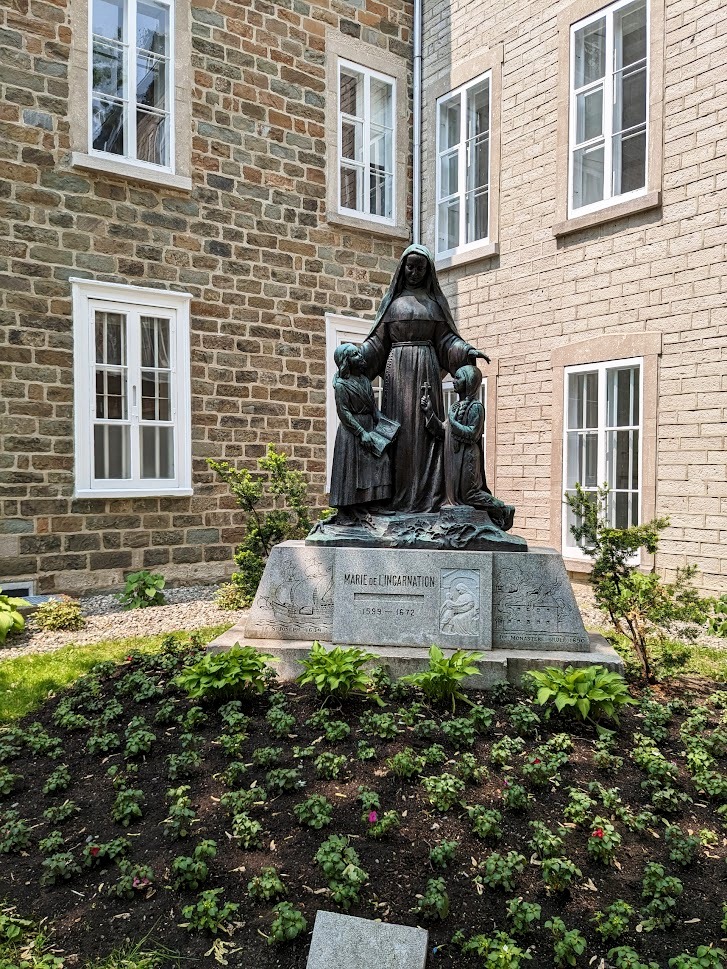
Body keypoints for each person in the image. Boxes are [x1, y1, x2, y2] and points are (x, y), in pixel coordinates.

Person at [360, 244, 489, 513]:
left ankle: (428, 496)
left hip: (426, 372)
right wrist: (357, 357)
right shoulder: (391, 305)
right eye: (410, 267)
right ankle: (396, 497)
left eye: (420, 268)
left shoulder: (434, 305)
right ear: (402, 268)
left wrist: (465, 350)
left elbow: (447, 341)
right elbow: (377, 343)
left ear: (428, 270)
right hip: (398, 375)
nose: (415, 272)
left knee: (426, 433)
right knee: (399, 433)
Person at [421, 363, 515, 531]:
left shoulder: (476, 407)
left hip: (468, 456)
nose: (454, 381)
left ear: (469, 382)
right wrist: (429, 413)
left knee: (469, 494)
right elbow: (444, 430)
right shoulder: (455, 407)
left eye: (458, 378)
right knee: (458, 496)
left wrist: (453, 421)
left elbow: (472, 434)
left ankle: (502, 509)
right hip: (454, 456)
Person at [329, 343, 393, 521]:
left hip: (369, 425)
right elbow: (343, 412)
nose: (360, 357)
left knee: (381, 462)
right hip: (352, 432)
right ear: (346, 361)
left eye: (359, 353)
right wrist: (361, 432)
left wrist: (386, 425)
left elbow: (373, 408)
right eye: (355, 355)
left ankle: (374, 503)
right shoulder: (341, 385)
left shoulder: (365, 380)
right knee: (353, 471)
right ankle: (350, 510)